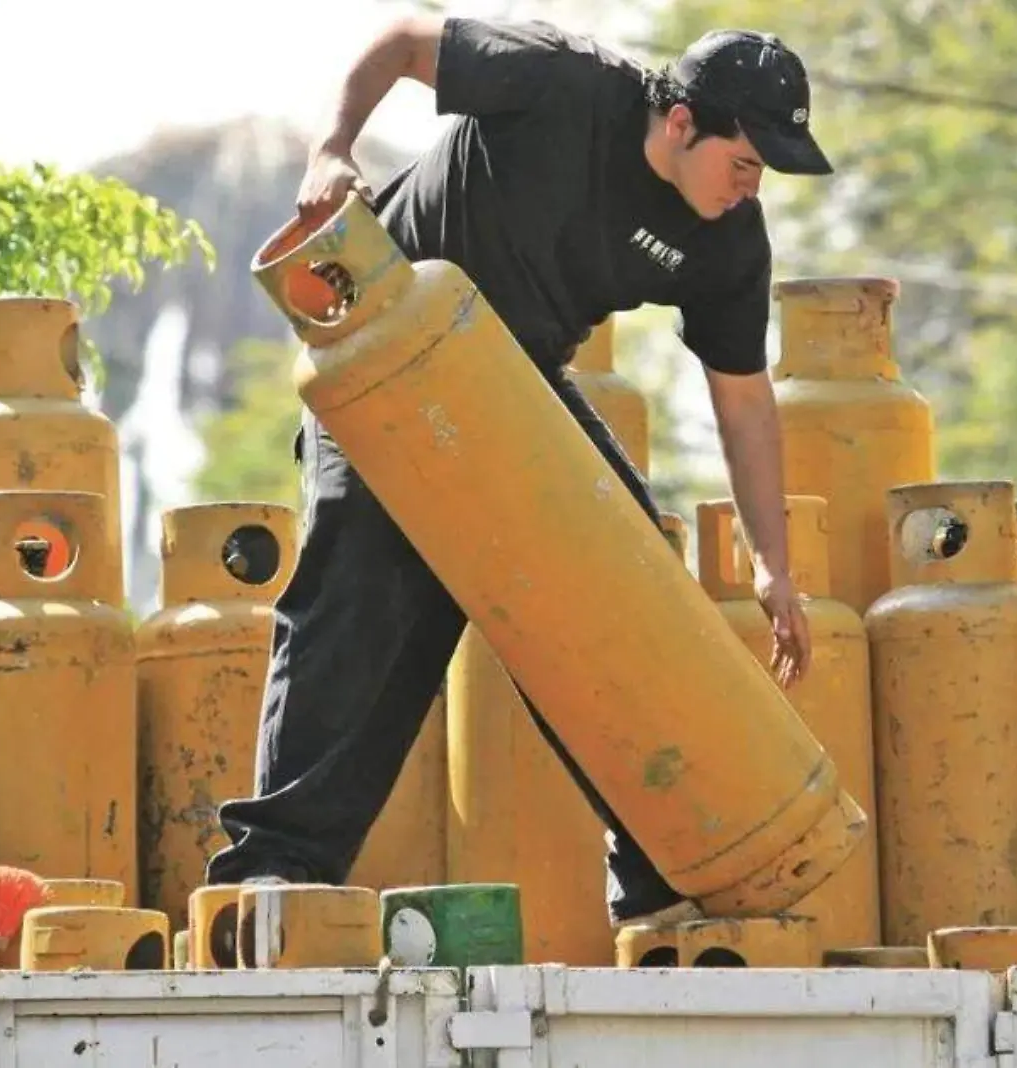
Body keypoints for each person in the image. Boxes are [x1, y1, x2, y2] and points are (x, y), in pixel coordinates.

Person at [207, 13, 833, 929]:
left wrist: (774, 563)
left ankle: (661, 878)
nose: (753, 186)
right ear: (683, 121)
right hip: (388, 352)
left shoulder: (729, 241)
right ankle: (275, 872)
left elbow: (743, 401)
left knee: (624, 583)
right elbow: (407, 42)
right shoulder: (560, 81)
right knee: (368, 597)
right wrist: (330, 151)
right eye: (746, 160)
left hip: (517, 380)